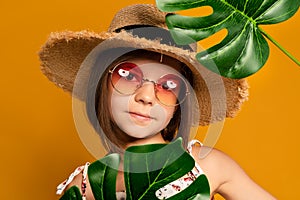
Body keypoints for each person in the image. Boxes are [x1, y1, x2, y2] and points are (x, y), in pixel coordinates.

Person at [39, 4, 276, 200]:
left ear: (179, 103)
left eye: (168, 85)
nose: (146, 96)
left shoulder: (207, 166)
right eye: (128, 75)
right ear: (103, 83)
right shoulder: (84, 187)